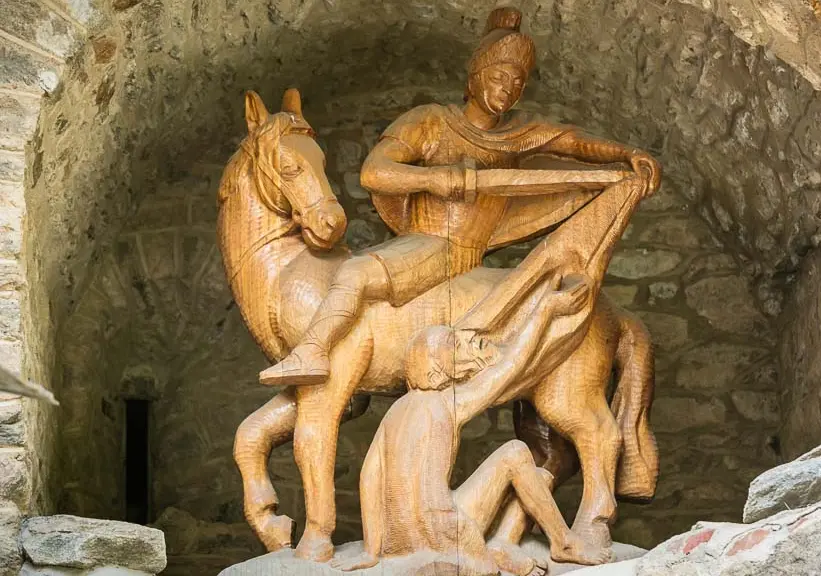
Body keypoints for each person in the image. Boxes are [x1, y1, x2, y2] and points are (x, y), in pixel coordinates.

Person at [258, 6, 660, 386]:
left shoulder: (517, 134)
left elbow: (572, 141)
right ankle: (317, 355)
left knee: (356, 273)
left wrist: (627, 153)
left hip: (459, 250)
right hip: (428, 238)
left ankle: (312, 351)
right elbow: (375, 172)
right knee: (356, 272)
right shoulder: (431, 121)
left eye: (517, 83)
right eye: (499, 77)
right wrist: (438, 179)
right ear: (475, 79)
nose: (507, 90)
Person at [333, 274, 611, 575]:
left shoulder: (395, 413)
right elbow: (512, 365)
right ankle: (564, 542)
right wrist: (545, 310)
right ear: (436, 373)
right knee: (516, 452)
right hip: (445, 533)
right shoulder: (446, 402)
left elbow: (369, 477)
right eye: (453, 345)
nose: (465, 344)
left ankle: (503, 544)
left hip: (400, 540)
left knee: (539, 478)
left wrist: (372, 551)